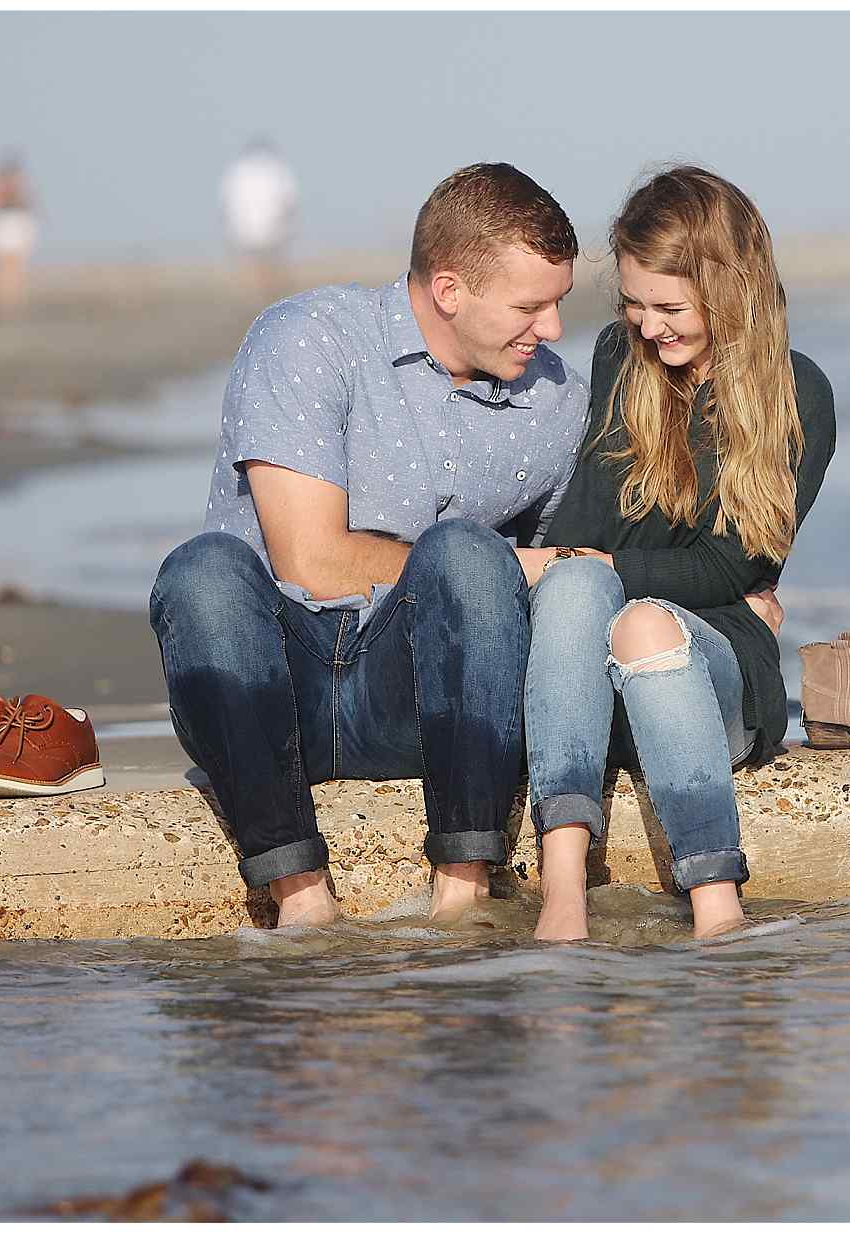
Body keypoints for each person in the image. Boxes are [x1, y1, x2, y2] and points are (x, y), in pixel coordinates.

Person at [149, 163, 589, 927]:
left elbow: (566, 590)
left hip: (417, 701)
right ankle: (301, 900)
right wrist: (512, 563)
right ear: (450, 290)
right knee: (203, 571)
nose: (551, 329)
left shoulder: (557, 401)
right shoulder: (307, 339)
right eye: (530, 306)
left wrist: (728, 590)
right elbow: (309, 561)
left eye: (559, 303)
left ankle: (461, 901)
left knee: (463, 556)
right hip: (264, 689)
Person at [520, 166, 837, 941]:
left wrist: (603, 566)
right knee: (574, 592)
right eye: (633, 304)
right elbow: (586, 526)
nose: (649, 326)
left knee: (640, 622)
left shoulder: (797, 395)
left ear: (730, 293)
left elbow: (729, 566)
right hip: (595, 680)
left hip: (713, 673)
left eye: (669, 307)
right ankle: (564, 897)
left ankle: (717, 908)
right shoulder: (620, 363)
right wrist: (585, 565)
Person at [221, 137, 299, 296]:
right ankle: (266, 287)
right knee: (267, 259)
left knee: (255, 259)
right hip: (270, 226)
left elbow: (226, 203)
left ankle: (254, 288)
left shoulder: (237, 170)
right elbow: (288, 201)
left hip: (246, 227)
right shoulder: (277, 169)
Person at [0, 151, 36, 314]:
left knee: (13, 266)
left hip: (13, 222)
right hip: (5, 222)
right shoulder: (0, 186)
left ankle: (11, 301)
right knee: (4, 266)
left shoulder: (18, 185)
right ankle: (5, 301)